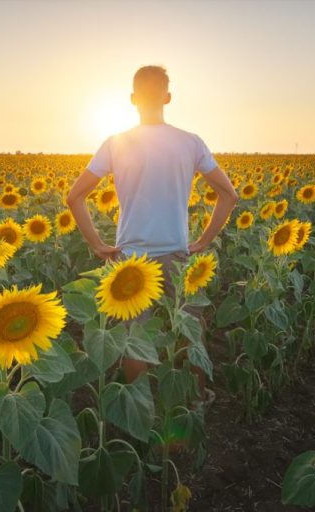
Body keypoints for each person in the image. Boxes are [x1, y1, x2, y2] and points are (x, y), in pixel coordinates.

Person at [65, 65, 238, 404]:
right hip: (177, 251)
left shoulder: (116, 143)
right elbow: (229, 194)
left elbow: (74, 196)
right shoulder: (190, 142)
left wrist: (97, 244)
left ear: (132, 99)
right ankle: (197, 399)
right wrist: (203, 240)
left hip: (130, 257)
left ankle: (138, 405)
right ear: (168, 97)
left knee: (133, 336)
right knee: (189, 330)